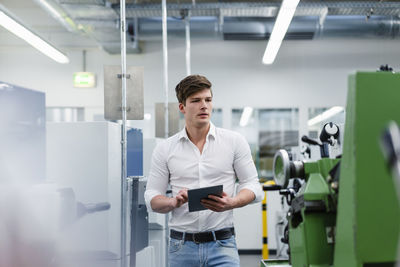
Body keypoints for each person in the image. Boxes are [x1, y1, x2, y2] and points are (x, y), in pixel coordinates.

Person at [144, 74, 263, 267]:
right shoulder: (165, 148)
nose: (204, 106)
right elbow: (152, 196)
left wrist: (231, 202)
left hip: (222, 245)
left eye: (208, 100)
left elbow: (254, 186)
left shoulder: (234, 142)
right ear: (182, 107)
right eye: (196, 100)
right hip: (181, 247)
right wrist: (173, 202)